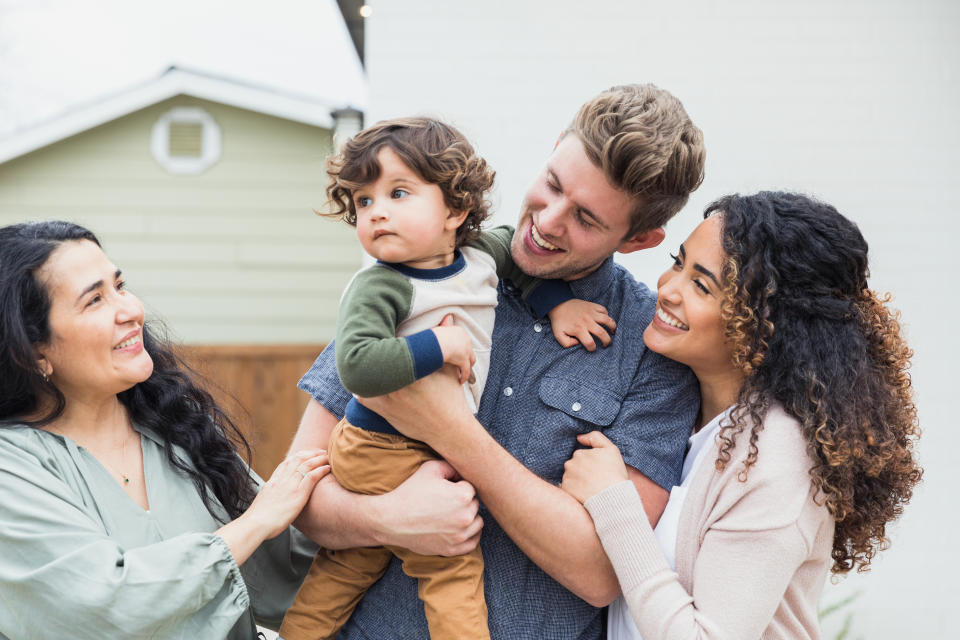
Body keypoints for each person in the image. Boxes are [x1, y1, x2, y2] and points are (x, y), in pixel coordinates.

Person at [290, 83, 707, 639]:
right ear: (555, 145)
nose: (549, 221)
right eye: (553, 184)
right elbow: (299, 494)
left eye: (586, 219)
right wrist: (389, 519)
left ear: (638, 240)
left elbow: (602, 573)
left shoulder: (653, 350)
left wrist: (452, 431)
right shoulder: (429, 267)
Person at [561, 192, 923, 639]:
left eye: (701, 285)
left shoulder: (778, 457)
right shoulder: (686, 408)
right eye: (678, 262)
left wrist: (614, 502)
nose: (667, 288)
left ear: (763, 325)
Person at [0, 220, 330, 639]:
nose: (131, 310)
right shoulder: (12, 468)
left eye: (120, 286)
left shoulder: (176, 428)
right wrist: (255, 522)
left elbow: (289, 571)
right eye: (95, 300)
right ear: (33, 352)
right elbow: (102, 608)